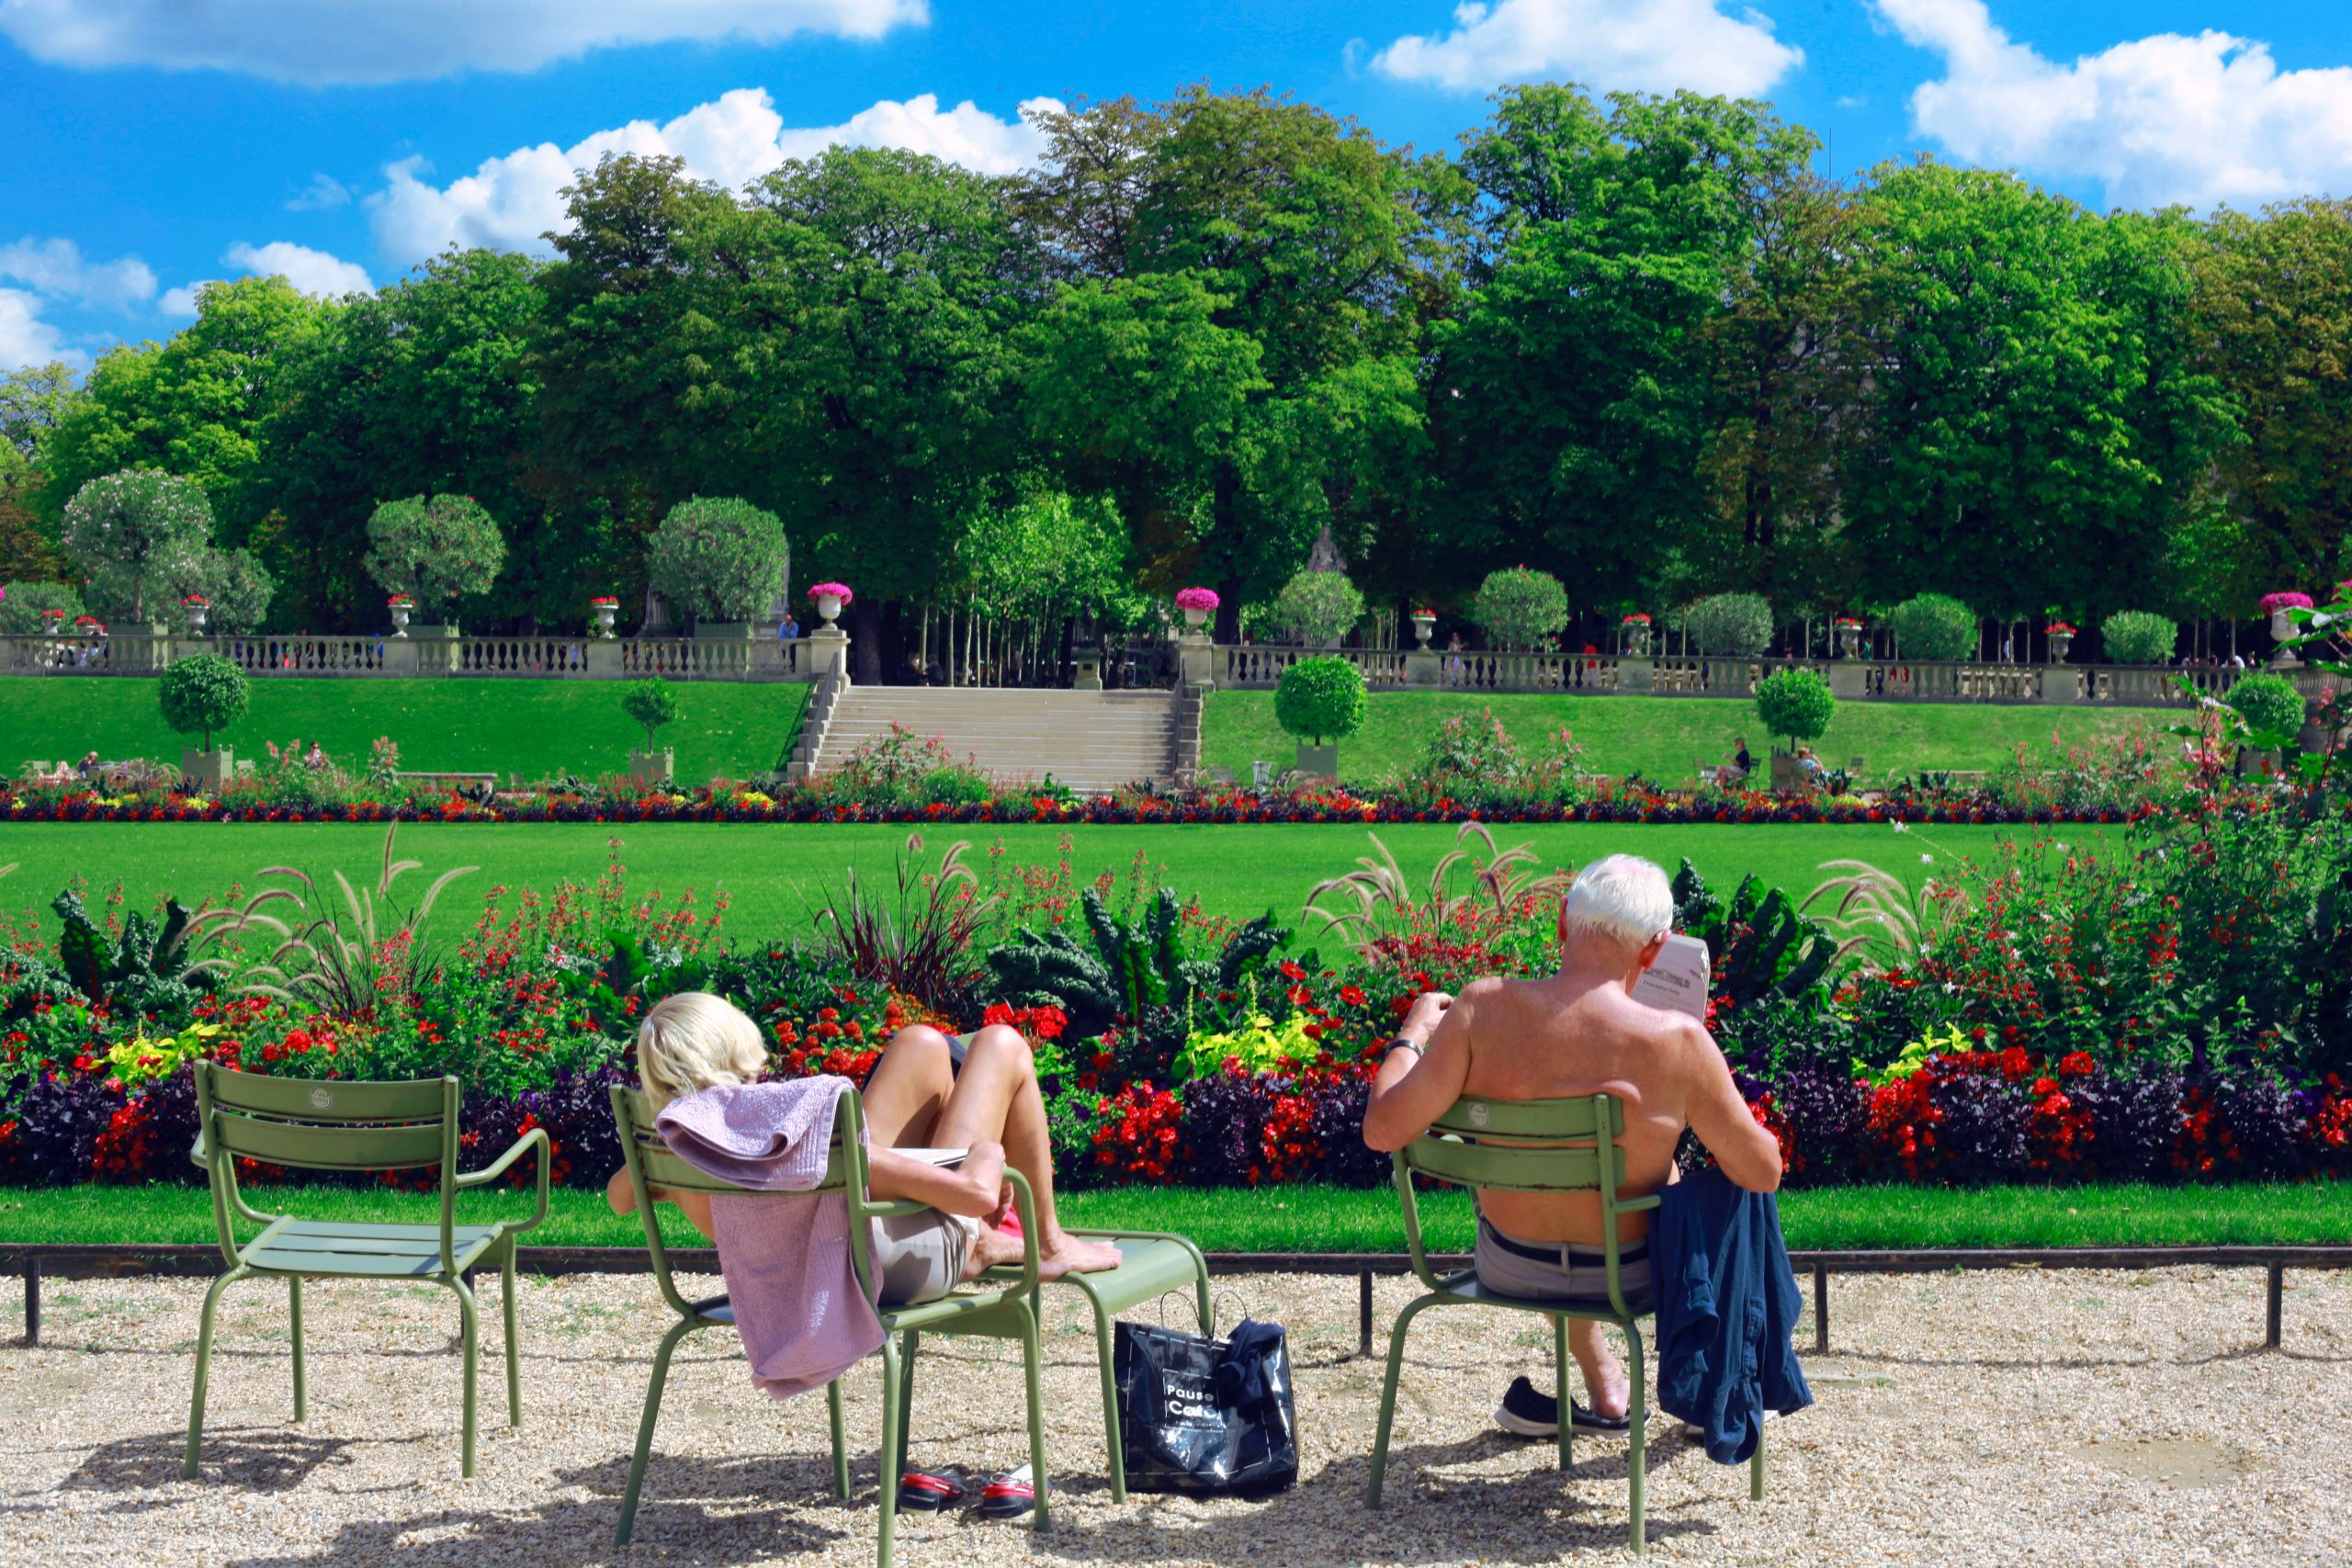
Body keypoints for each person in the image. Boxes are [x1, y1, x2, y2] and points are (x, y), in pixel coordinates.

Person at [1362, 855, 1783, 1440]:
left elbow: (1383, 1129)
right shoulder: (1678, 1042)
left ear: (1563, 922)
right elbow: (1763, 1172)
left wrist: (1411, 1036)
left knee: (1562, 1183)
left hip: (1509, 1263)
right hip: (1630, 1277)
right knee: (1716, 1188)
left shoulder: (1481, 1009)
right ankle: (1714, 1387)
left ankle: (1606, 1383)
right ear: (1655, 949)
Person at [608, 995, 1120, 1302]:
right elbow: (973, 1194)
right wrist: (990, 1158)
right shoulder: (786, 1140)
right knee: (1002, 1046)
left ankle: (983, 1245)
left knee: (921, 1044)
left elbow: (618, 1198)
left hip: (832, 1252)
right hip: (874, 1267)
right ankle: (1046, 1244)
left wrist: (660, 1145)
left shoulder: (680, 1147)